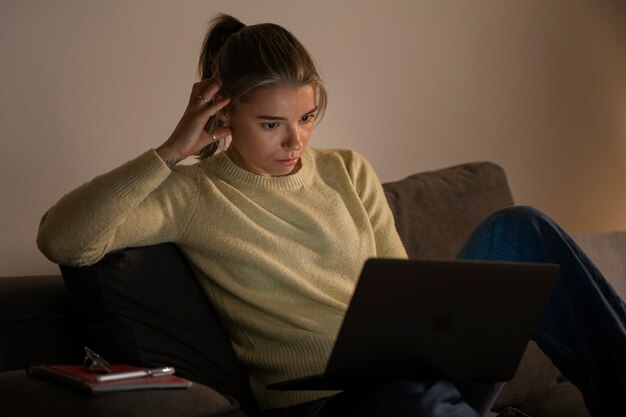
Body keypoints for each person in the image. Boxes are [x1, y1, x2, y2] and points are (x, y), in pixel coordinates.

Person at [37, 14, 625, 417]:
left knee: (518, 229)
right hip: (325, 404)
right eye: (272, 124)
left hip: (412, 377)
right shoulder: (192, 195)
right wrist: (170, 150)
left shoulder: (347, 170)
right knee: (417, 405)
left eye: (308, 116)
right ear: (221, 111)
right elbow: (65, 239)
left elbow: (402, 287)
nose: (297, 141)